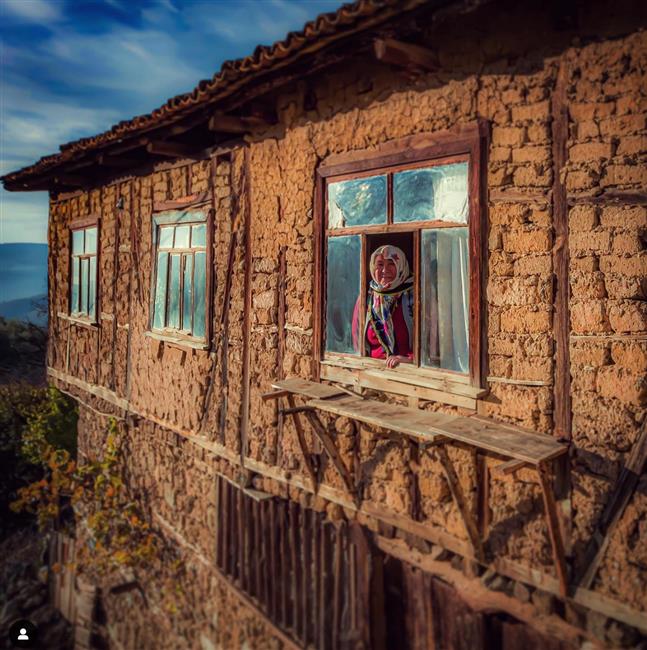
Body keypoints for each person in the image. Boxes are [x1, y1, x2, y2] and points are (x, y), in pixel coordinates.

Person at [352, 244, 414, 368]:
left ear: (401, 265)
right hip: (371, 372)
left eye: (391, 263)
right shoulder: (366, 298)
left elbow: (430, 341)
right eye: (380, 264)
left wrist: (410, 359)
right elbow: (357, 339)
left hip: (408, 372)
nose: (385, 270)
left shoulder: (413, 297)